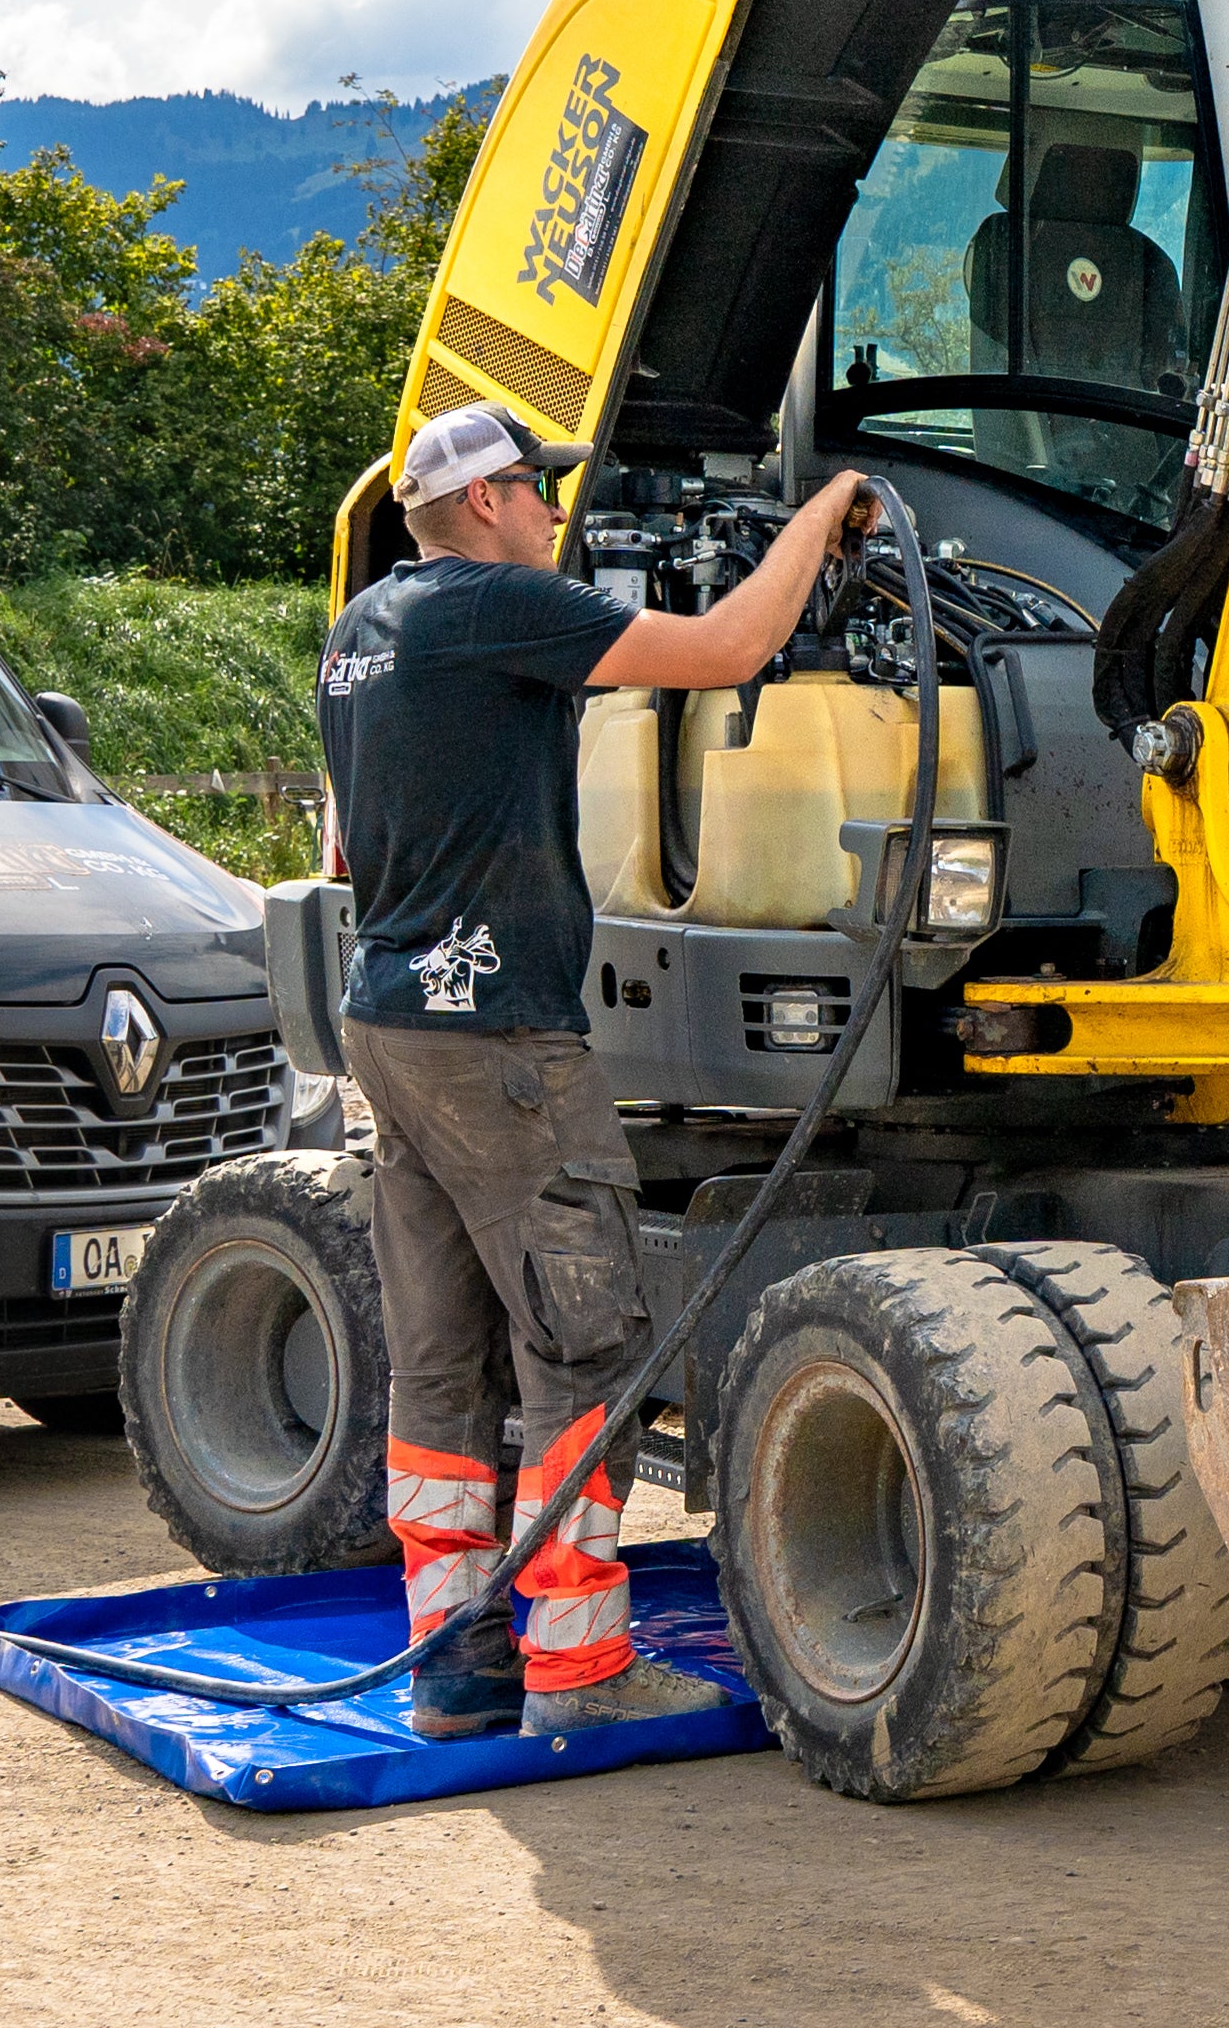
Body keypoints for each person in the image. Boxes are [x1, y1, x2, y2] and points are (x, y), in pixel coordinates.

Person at [313, 401, 875, 1739]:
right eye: (539, 488)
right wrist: (823, 511)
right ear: (487, 501)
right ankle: (581, 1669)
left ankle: (454, 1665)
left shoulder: (363, 629)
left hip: (390, 1023)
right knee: (585, 1336)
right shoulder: (498, 605)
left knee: (441, 1353)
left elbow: (345, 846)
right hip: (501, 1037)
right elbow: (728, 649)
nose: (558, 511)